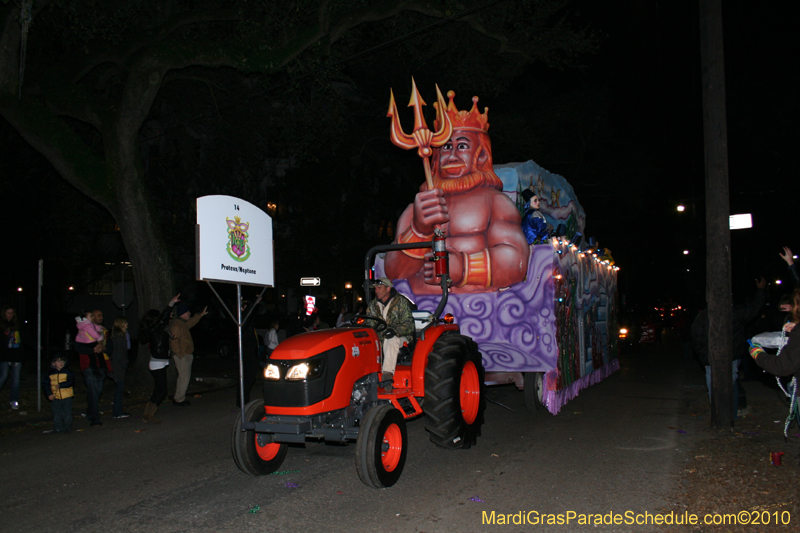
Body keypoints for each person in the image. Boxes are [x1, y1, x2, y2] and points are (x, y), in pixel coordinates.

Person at [384, 90, 529, 294]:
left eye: (461, 146)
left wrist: (464, 267)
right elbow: (394, 273)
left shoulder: (495, 202)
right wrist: (418, 231)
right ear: (435, 156)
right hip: (423, 309)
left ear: (480, 155)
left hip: (483, 309)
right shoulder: (416, 209)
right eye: (445, 147)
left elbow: (517, 262)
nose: (452, 156)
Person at [691, 277, 767, 418]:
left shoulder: (706, 315)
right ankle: (727, 416)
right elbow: (755, 307)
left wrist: (704, 357)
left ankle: (721, 416)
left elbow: (696, 336)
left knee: (716, 386)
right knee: (729, 384)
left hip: (718, 358)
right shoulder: (733, 313)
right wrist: (761, 290)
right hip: (724, 357)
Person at [366, 277, 414, 388]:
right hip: (380, 337)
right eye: (375, 288)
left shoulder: (401, 302)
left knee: (390, 338)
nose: (376, 291)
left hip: (401, 337)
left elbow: (409, 325)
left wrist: (394, 330)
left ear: (388, 289)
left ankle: (387, 375)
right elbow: (369, 323)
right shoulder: (373, 305)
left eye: (379, 288)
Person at [139, 294, 180, 423]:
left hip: (159, 361)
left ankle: (147, 414)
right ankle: (149, 414)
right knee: (162, 390)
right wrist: (171, 303)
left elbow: (164, 325)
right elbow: (163, 318)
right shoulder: (154, 328)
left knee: (159, 389)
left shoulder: (157, 329)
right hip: (157, 362)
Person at [169, 300, 208, 406]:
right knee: (184, 377)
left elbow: (192, 322)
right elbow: (173, 342)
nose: (189, 314)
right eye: (188, 312)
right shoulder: (177, 326)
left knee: (184, 377)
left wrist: (200, 315)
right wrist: (180, 355)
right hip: (182, 355)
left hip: (186, 354)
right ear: (183, 313)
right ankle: (179, 399)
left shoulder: (183, 324)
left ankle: (179, 397)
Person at [74, 311, 109, 427]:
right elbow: (78, 348)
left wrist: (103, 348)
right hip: (88, 366)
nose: (100, 318)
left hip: (100, 365)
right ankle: (95, 419)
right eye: (97, 315)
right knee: (93, 391)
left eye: (101, 315)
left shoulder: (101, 331)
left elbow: (110, 347)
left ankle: (90, 412)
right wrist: (93, 350)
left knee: (97, 391)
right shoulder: (83, 331)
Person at [42, 354, 74, 433]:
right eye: (58, 361)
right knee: (56, 413)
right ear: (53, 363)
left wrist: (61, 385)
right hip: (55, 396)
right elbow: (45, 385)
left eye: (62, 361)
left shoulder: (68, 372)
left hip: (67, 396)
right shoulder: (50, 374)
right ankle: (58, 427)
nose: (61, 363)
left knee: (67, 413)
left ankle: (67, 427)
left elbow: (71, 381)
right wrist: (49, 394)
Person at [1, 305, 24, 410]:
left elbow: (25, 336)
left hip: (16, 355)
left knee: (16, 379)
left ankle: (14, 400)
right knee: (4, 376)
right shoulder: (2, 325)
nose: (10, 315)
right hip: (5, 355)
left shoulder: (17, 324)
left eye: (12, 313)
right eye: (8, 313)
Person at [107, 317, 130, 419]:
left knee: (119, 388)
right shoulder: (120, 337)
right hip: (118, 366)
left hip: (117, 365)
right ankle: (117, 412)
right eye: (125, 323)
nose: (127, 324)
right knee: (119, 389)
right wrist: (125, 363)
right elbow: (120, 353)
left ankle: (118, 410)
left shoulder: (117, 336)